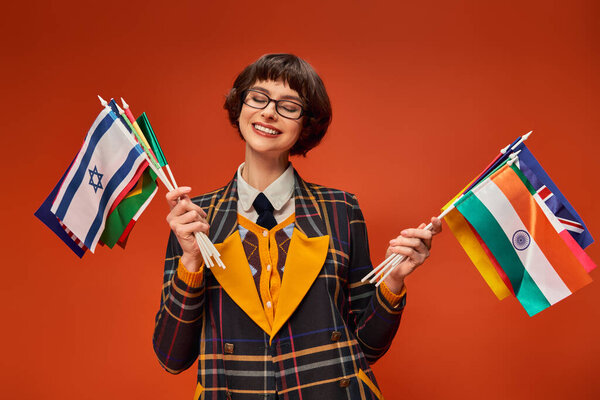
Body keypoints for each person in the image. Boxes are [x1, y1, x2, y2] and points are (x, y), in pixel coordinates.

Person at [153, 53, 442, 400]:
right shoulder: (195, 219)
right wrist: (190, 262)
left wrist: (395, 278)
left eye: (288, 106)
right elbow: (171, 357)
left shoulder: (341, 210)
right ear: (240, 105)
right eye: (258, 98)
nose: (269, 112)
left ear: (306, 123)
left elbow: (366, 345)